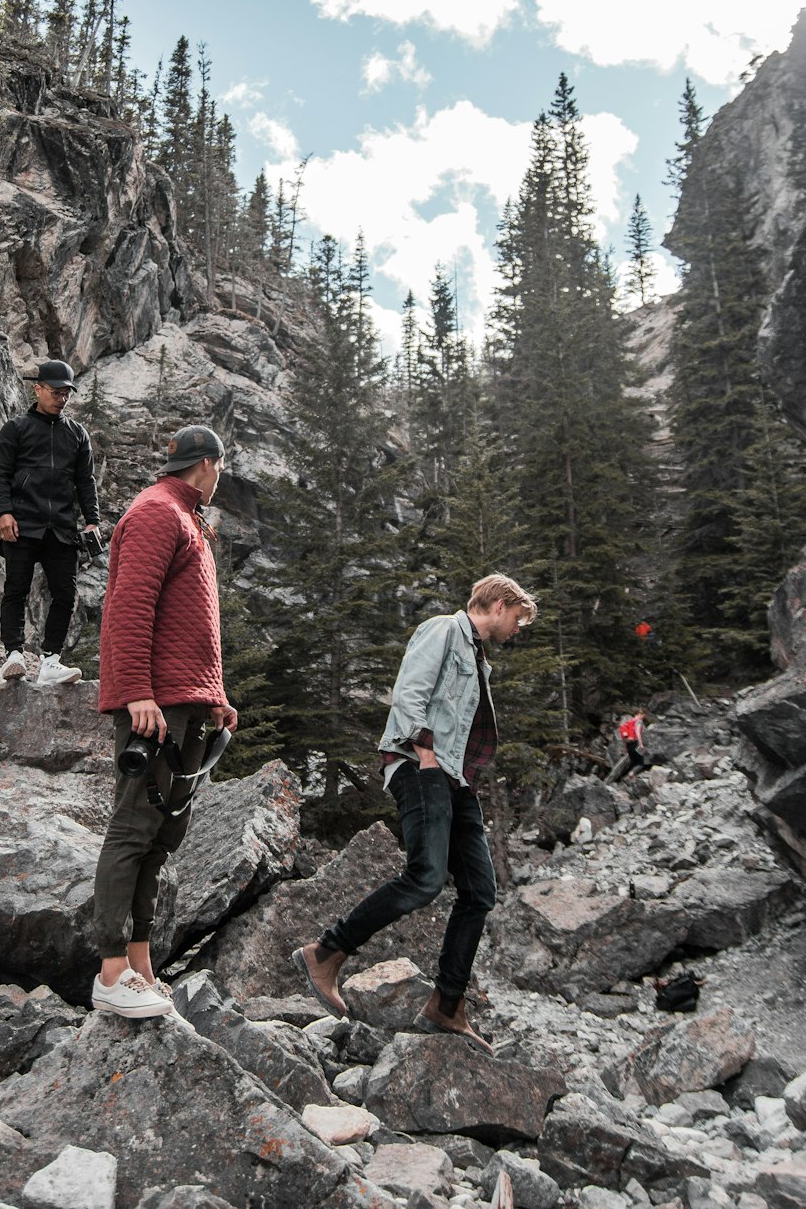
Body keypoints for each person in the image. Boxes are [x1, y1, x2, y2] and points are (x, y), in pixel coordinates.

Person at [294, 573, 537, 1051]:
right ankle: (325, 952)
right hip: (421, 766)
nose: (518, 628)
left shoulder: (478, 657)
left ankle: (447, 1005)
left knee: (480, 892)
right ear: (499, 603)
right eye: (518, 618)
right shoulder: (445, 629)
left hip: (454, 779)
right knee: (425, 877)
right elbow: (409, 692)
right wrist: (424, 753)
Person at [91, 424, 238, 1020]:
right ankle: (108, 973)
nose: (221, 475)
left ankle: (141, 967)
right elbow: (128, 608)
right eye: (221, 467)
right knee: (132, 829)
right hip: (156, 707)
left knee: (160, 837)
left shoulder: (186, 517)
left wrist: (215, 695)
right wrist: (135, 694)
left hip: (188, 705)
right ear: (208, 465)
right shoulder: (156, 512)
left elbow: (194, 626)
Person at [0, 359, 100, 687]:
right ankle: (13, 654)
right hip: (22, 523)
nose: (62, 398)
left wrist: (93, 520)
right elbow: (0, 475)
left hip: (62, 528)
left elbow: (86, 481)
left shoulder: (77, 434)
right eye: (56, 392)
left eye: (67, 392)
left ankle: (51, 661)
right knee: (16, 590)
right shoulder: (16, 428)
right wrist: (3, 513)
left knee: (65, 594)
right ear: (37, 388)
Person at [619, 708, 649, 772]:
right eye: (643, 715)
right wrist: (641, 744)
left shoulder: (630, 722)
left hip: (629, 744)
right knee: (640, 764)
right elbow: (637, 732)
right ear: (639, 714)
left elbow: (626, 736)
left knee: (634, 763)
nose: (644, 717)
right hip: (635, 743)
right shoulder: (639, 721)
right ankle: (630, 775)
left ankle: (630, 779)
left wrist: (625, 748)